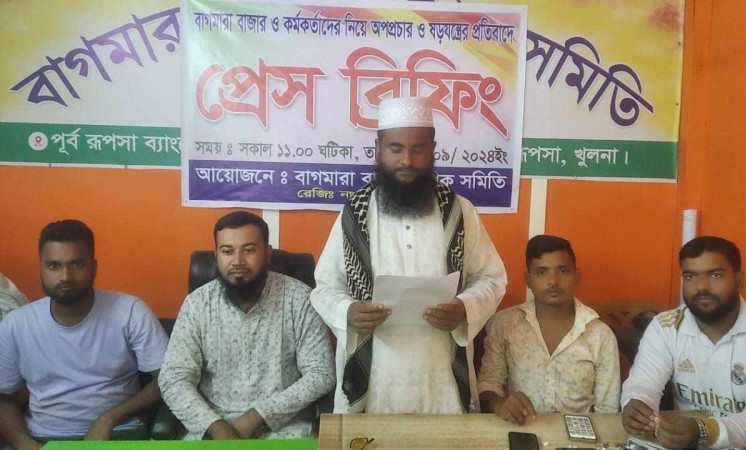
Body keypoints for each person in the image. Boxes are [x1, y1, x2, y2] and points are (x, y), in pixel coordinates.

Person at [310, 96, 507, 414]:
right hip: (376, 378)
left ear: (433, 148)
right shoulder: (356, 213)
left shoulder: (458, 211)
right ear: (379, 148)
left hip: (440, 378)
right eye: (396, 148)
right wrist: (348, 311)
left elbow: (490, 278)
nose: (407, 160)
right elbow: (325, 286)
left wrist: (464, 307)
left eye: (418, 149)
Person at [159, 211, 335, 440]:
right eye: (227, 251)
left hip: (284, 427)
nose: (237, 261)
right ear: (216, 255)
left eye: (249, 250)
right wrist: (216, 427)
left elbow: (321, 373)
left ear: (267, 254)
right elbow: (174, 378)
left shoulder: (299, 300)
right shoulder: (198, 304)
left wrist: (256, 417)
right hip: (212, 426)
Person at [0, 220, 168, 448]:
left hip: (118, 433)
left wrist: (109, 419)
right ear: (41, 267)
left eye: (77, 264)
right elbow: (3, 399)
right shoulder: (16, 324)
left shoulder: (130, 311)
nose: (65, 276)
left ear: (94, 267)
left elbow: (168, 379)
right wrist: (23, 443)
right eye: (53, 266)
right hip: (43, 438)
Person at [621, 236, 746, 449]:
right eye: (690, 276)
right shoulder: (665, 327)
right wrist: (636, 402)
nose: (701, 287)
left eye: (715, 275)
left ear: (739, 279)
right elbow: (644, 382)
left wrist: (704, 430)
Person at [478, 235, 620, 424]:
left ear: (577, 276)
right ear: (527, 279)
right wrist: (499, 404)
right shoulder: (505, 324)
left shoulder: (600, 335)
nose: (553, 281)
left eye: (563, 271)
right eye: (541, 272)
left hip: (579, 436)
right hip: (520, 430)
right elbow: (489, 382)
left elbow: (607, 411)